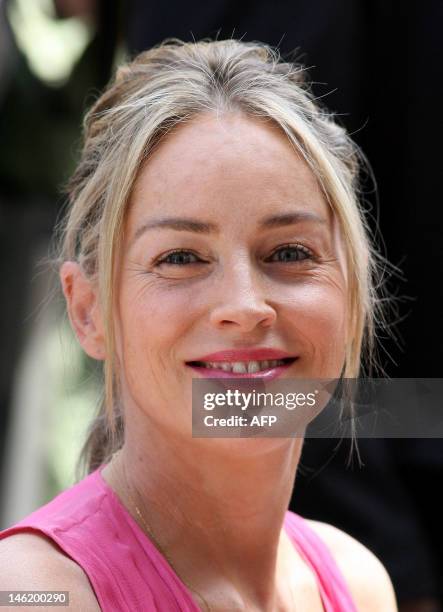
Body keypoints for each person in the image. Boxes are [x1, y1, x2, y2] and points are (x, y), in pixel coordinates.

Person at [0, 39, 398, 611]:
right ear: (89, 312)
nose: (245, 304)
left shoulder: (358, 581)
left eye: (288, 252)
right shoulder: (37, 593)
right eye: (181, 258)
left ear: (354, 292)